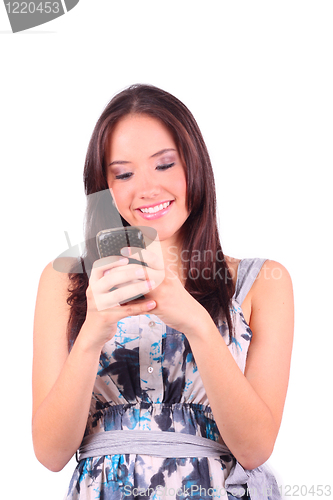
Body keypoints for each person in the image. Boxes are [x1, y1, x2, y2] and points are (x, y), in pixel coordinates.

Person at [32, 84, 294, 500]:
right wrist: (92, 334)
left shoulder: (261, 281)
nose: (147, 188)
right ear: (103, 187)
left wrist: (196, 322)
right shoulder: (65, 279)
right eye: (123, 173)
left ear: (195, 164)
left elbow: (255, 448)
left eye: (165, 164)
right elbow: (50, 452)